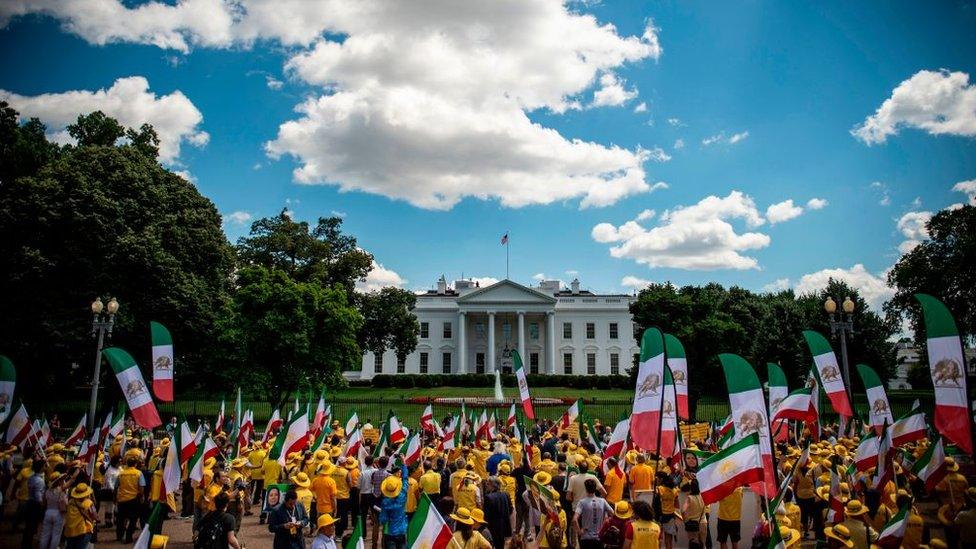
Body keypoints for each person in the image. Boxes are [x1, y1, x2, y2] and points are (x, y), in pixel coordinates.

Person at [573, 478, 613, 549]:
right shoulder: (602, 501)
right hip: (599, 537)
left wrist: (579, 532)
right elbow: (613, 514)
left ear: (586, 489)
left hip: (586, 538)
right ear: (595, 489)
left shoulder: (582, 502)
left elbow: (575, 519)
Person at [116, 456, 146, 543]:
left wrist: (115, 497)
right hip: (133, 499)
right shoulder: (138, 473)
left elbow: (116, 486)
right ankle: (129, 536)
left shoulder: (121, 474)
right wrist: (141, 496)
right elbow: (141, 488)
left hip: (122, 499)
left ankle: (119, 535)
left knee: (121, 519)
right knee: (133, 519)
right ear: (136, 464)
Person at [379, 465, 409, 549]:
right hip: (402, 531)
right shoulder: (402, 496)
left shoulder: (385, 503)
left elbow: (383, 520)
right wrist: (404, 464)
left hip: (390, 533)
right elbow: (405, 480)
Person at [63, 482, 97, 549]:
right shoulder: (88, 503)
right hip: (83, 531)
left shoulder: (71, 502)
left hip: (70, 531)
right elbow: (95, 516)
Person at [38, 472, 67, 549]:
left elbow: (43, 503)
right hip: (58, 514)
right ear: (58, 481)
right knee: (56, 535)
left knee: (45, 534)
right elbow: (65, 503)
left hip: (48, 512)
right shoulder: (60, 491)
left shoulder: (47, 491)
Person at [21, 458, 45, 549]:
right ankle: (27, 545)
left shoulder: (32, 477)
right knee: (31, 527)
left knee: (29, 527)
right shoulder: (39, 481)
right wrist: (43, 505)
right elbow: (38, 498)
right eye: (44, 466)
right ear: (41, 467)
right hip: (35, 505)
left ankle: (25, 544)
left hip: (30, 502)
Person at [482, 477, 511, 549]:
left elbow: (486, 515)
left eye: (488, 484)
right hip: (504, 526)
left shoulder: (488, 497)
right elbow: (510, 509)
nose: (486, 485)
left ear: (492, 485)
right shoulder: (505, 494)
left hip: (493, 528)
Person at [681, 479, 707, 549]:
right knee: (703, 544)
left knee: (693, 545)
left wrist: (685, 521)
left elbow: (683, 510)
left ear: (691, 488)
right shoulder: (702, 496)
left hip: (693, 524)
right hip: (703, 522)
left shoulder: (689, 498)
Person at [656, 474, 680, 549]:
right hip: (671, 516)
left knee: (659, 537)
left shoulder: (660, 489)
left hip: (661, 515)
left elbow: (656, 493)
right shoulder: (675, 491)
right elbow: (677, 503)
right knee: (669, 539)